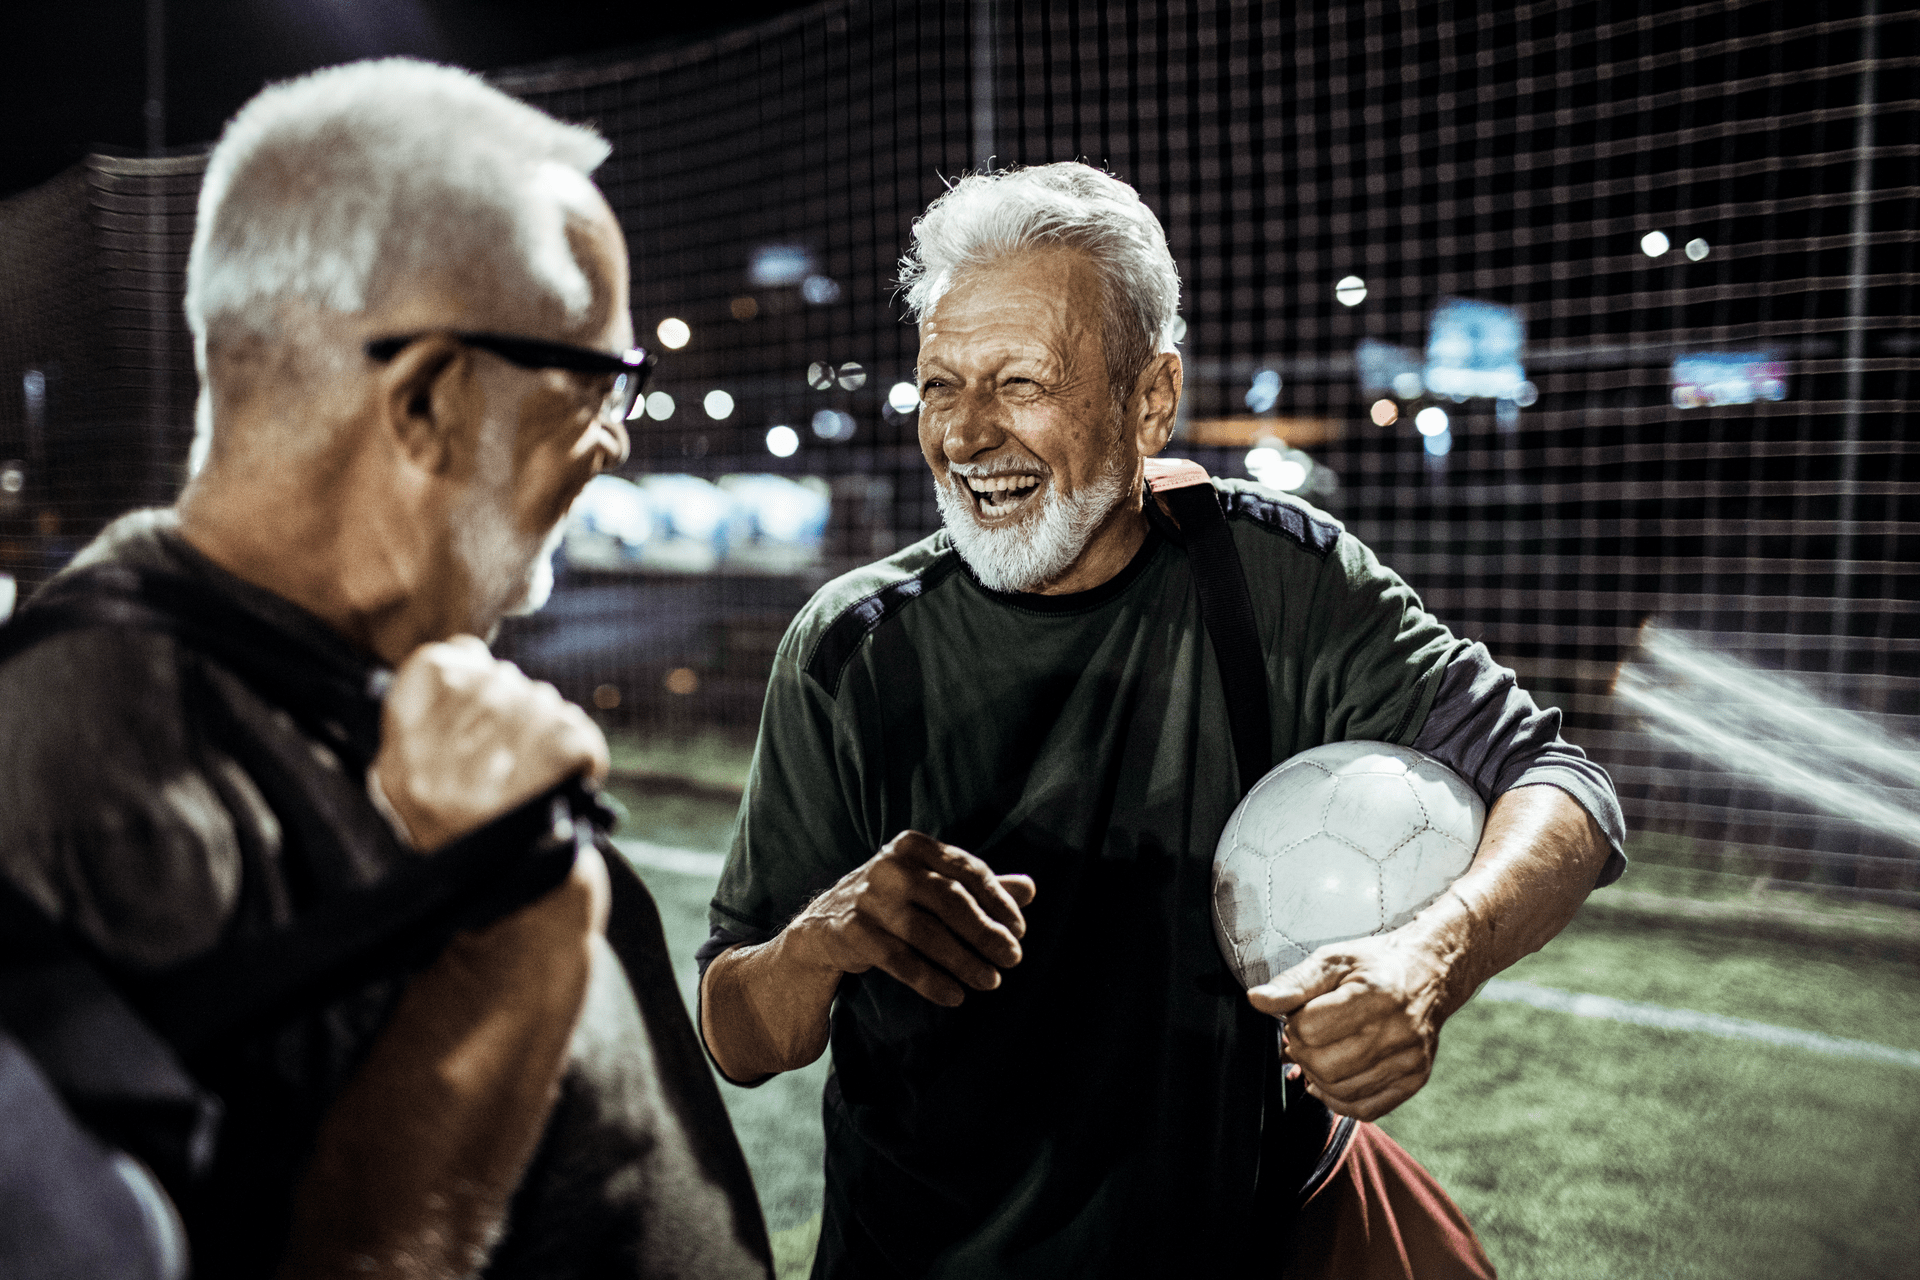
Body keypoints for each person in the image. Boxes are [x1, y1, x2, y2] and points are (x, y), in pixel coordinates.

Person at [698, 162, 1626, 1278]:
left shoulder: (1275, 582)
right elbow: (738, 1032)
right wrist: (824, 937)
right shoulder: (849, 645)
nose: (967, 433)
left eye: (1022, 382)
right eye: (940, 385)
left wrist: (1433, 954)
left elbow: (1561, 779)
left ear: (1151, 399)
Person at [0, 59, 770, 1279]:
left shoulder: (333, 680)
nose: (621, 436)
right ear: (425, 404)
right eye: (598, 379)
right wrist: (500, 959)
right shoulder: (70, 772)